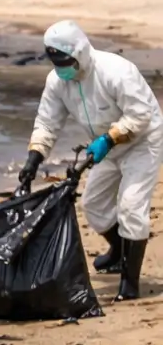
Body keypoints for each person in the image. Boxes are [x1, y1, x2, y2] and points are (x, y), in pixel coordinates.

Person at [17, 20, 163, 301]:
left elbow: (141, 114)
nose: (63, 68)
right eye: (57, 63)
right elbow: (47, 122)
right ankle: (119, 251)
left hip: (142, 142)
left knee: (131, 207)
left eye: (66, 62)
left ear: (81, 52)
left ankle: (129, 283)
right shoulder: (57, 81)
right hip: (105, 147)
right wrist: (33, 159)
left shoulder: (116, 71)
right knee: (93, 205)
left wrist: (110, 138)